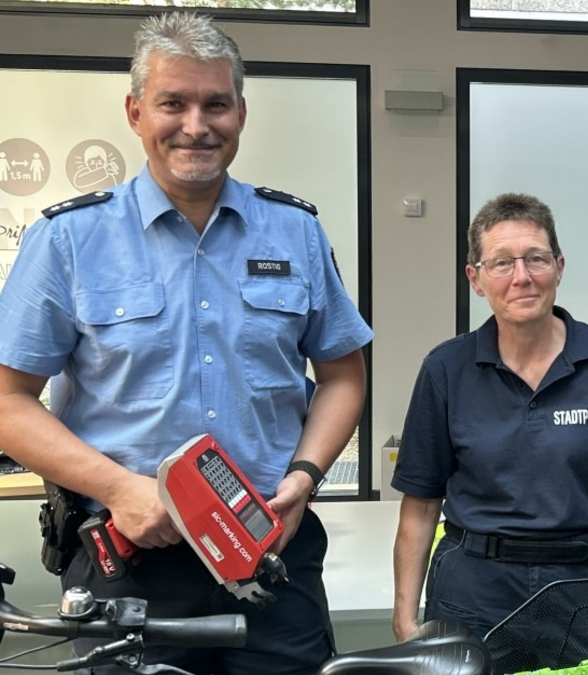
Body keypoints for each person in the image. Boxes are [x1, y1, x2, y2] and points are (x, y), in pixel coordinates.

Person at [0, 12, 372, 675]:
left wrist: (306, 476)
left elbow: (343, 375)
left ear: (241, 114)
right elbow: (8, 401)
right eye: (173, 103)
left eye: (215, 104)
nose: (196, 126)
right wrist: (120, 488)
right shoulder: (68, 240)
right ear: (136, 111)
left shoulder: (295, 232)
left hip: (269, 550)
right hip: (133, 561)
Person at [391, 193, 588, 667]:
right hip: (474, 589)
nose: (522, 277)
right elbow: (420, 506)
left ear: (558, 267)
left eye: (536, 258)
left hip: (587, 587)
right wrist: (404, 618)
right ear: (475, 279)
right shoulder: (446, 369)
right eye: (501, 263)